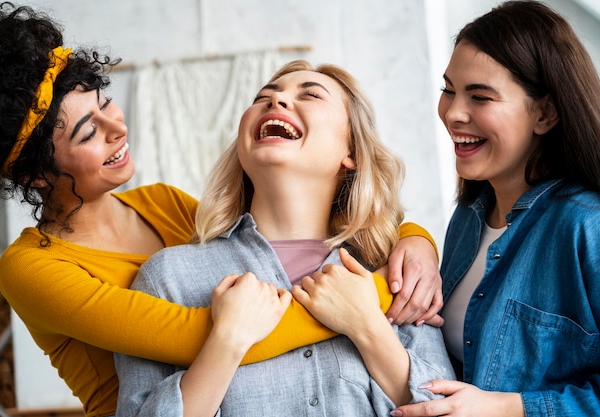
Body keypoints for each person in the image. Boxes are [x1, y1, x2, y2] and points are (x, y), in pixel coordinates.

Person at [0, 3, 443, 416]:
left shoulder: (163, 204)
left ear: (353, 152)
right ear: (35, 175)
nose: (117, 127)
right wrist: (376, 301)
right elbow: (193, 335)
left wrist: (415, 239)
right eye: (88, 133)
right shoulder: (32, 268)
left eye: (106, 102)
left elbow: (257, 221)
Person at [114, 59, 455, 417]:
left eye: (310, 95)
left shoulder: (396, 271)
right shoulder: (171, 276)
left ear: (351, 152)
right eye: (263, 97)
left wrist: (368, 327)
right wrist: (226, 342)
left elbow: (451, 410)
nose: (275, 102)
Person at [391, 1, 600, 416]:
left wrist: (511, 407)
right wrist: (416, 238)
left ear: (545, 113)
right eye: (449, 90)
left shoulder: (589, 225)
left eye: (480, 96)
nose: (453, 112)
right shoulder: (469, 215)